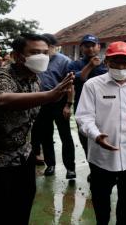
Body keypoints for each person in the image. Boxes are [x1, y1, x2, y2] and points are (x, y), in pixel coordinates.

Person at [0, 33, 74, 225]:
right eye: (35, 52)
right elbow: (2, 99)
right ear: (17, 55)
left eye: (45, 52)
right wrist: (49, 95)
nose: (42, 57)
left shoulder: (35, 79)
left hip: (21, 153)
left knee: (22, 208)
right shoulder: (0, 76)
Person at [75, 41, 126, 225]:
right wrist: (96, 135)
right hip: (102, 156)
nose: (121, 66)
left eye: (125, 62)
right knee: (101, 200)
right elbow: (84, 117)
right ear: (106, 62)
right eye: (116, 61)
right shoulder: (93, 85)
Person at [31, 33, 76, 178]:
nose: (42, 52)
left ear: (52, 47)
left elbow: (70, 85)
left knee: (65, 136)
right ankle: (50, 165)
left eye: (45, 49)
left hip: (60, 103)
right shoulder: (37, 61)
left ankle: (70, 168)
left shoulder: (64, 61)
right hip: (41, 103)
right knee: (46, 136)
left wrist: (68, 105)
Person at [67, 34, 107, 159]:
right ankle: (92, 166)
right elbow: (78, 79)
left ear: (98, 47)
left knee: (104, 135)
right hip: (83, 107)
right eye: (86, 46)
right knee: (85, 138)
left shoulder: (106, 64)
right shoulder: (75, 64)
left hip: (104, 106)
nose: (90, 49)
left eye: (93, 46)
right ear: (81, 48)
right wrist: (90, 65)